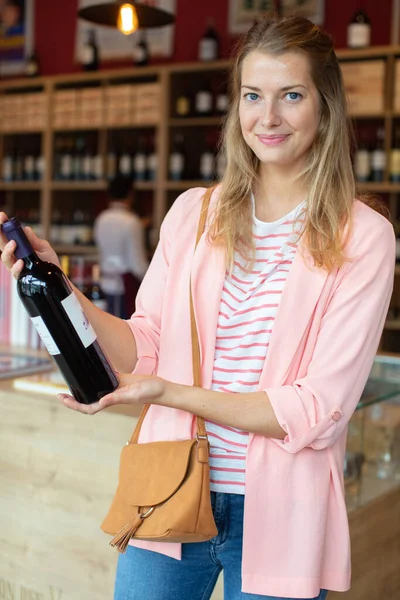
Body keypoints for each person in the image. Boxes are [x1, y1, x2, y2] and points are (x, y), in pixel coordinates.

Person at [0, 14, 395, 600]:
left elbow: (316, 408)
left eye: (291, 95)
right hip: (170, 485)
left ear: (326, 104)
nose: (269, 117)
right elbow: (146, 342)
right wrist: (64, 288)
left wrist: (167, 392)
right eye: (253, 95)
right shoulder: (195, 213)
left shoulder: (363, 235)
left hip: (280, 511)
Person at [93, 175, 149, 318]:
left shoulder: (101, 218)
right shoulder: (131, 221)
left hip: (104, 282)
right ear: (131, 194)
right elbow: (138, 264)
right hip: (125, 287)